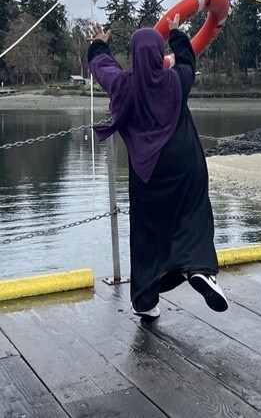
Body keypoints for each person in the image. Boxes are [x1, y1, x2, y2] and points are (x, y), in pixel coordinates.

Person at [88, 16, 228, 318]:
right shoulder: (175, 81)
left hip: (146, 172)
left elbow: (102, 67)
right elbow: (188, 61)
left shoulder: (123, 86)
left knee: (147, 233)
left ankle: (146, 300)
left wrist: (99, 43)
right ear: (157, 53)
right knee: (193, 217)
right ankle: (199, 270)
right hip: (184, 166)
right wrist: (177, 33)